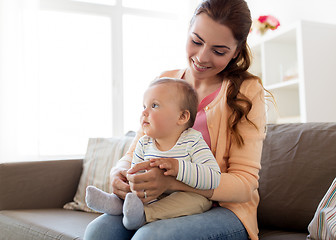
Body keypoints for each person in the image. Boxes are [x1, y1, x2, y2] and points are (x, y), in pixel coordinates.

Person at [84, 0, 266, 239]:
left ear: (237, 51)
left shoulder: (246, 92)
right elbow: (138, 146)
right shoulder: (166, 80)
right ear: (188, 30)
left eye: (219, 51)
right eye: (196, 41)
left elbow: (245, 184)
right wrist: (119, 173)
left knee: (150, 237)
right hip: (156, 201)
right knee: (99, 231)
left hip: (225, 211)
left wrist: (172, 183)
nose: (202, 57)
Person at [85, 78, 221, 230]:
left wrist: (178, 167)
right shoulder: (144, 143)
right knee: (136, 190)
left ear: (182, 117)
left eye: (154, 105)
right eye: (144, 106)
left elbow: (213, 178)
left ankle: (144, 214)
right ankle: (116, 204)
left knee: (193, 200)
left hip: (185, 194)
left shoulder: (192, 141)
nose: (144, 112)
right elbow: (136, 172)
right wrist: (133, 181)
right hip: (153, 195)